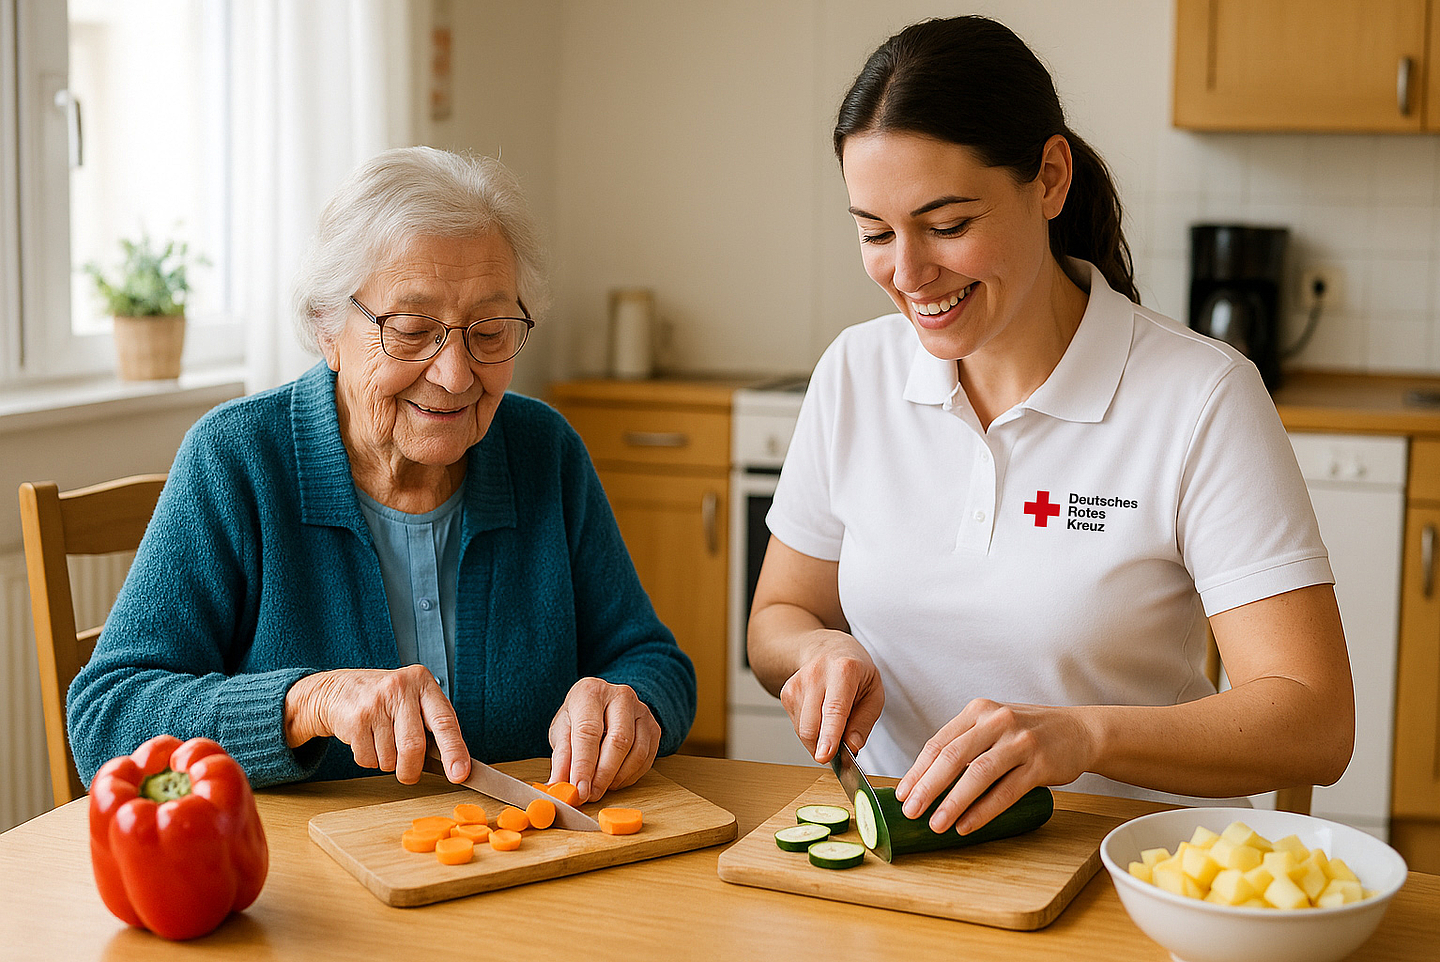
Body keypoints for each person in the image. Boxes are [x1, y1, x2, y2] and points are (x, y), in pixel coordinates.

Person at [747, 16, 1354, 837]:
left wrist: (1081, 733)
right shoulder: (854, 373)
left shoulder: (1201, 396)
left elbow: (1314, 723)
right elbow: (779, 615)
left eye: (949, 225)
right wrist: (818, 653)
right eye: (875, 232)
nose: (909, 272)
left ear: (1051, 177)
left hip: (1138, 868)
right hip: (915, 862)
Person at [68, 147, 696, 802]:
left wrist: (628, 703)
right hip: (303, 886)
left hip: (520, 872)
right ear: (328, 328)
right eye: (412, 328)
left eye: (488, 331)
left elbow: (657, 664)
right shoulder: (238, 460)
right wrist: (307, 702)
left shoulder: (544, 451)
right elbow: (107, 717)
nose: (455, 375)